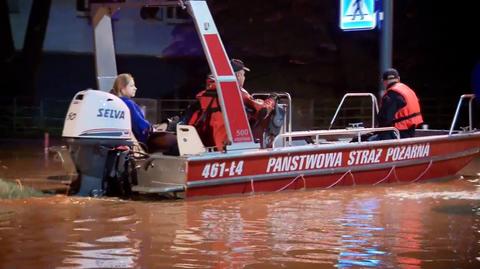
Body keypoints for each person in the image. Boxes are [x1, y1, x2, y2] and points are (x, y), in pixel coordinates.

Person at [188, 59, 276, 151]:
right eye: (243, 75)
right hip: (227, 146)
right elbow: (262, 111)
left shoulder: (202, 95)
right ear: (238, 75)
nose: (244, 78)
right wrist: (272, 100)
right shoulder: (236, 92)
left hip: (204, 146)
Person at [371, 68, 423, 140]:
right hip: (410, 131)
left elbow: (384, 119)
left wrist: (375, 132)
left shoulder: (391, 95)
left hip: (398, 133)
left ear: (384, 81)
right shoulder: (407, 90)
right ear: (398, 78)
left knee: (365, 139)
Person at [110, 73, 152, 145]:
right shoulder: (128, 103)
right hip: (132, 145)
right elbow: (141, 126)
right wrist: (151, 127)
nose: (135, 88)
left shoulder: (112, 102)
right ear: (122, 89)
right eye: (132, 86)